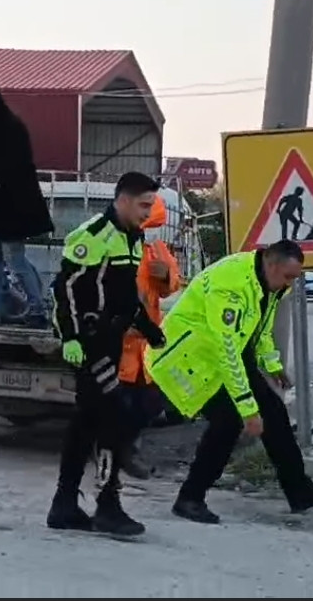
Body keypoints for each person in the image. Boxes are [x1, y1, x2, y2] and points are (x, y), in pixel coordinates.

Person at [145, 240, 313, 524]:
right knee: (229, 420)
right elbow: (228, 353)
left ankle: (300, 492)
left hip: (217, 353)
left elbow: (259, 329)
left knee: (274, 412)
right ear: (271, 264)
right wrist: (248, 409)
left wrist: (272, 365)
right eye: (288, 277)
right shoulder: (231, 285)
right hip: (187, 360)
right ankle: (190, 497)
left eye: (294, 278)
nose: (290, 284)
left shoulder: (268, 283)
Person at [46, 171, 167, 537]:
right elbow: (63, 290)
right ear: (123, 200)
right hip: (88, 344)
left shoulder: (133, 237)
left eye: (151, 205)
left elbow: (126, 298)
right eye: (144, 204)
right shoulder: (94, 236)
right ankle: (108, 504)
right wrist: (69, 338)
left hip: (113, 341)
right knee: (117, 416)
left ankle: (64, 505)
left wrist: (150, 331)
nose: (148, 212)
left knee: (86, 423)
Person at [0, 81, 53, 327]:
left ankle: (36, 308)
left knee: (14, 258)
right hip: (3, 205)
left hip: (9, 206)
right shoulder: (6, 127)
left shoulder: (5, 130)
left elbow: (1, 170)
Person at [112, 195, 182, 480]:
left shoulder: (155, 249)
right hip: (118, 345)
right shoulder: (113, 244)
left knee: (150, 405)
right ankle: (119, 457)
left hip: (145, 346)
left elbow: (170, 286)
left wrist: (166, 275)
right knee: (120, 408)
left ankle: (124, 450)